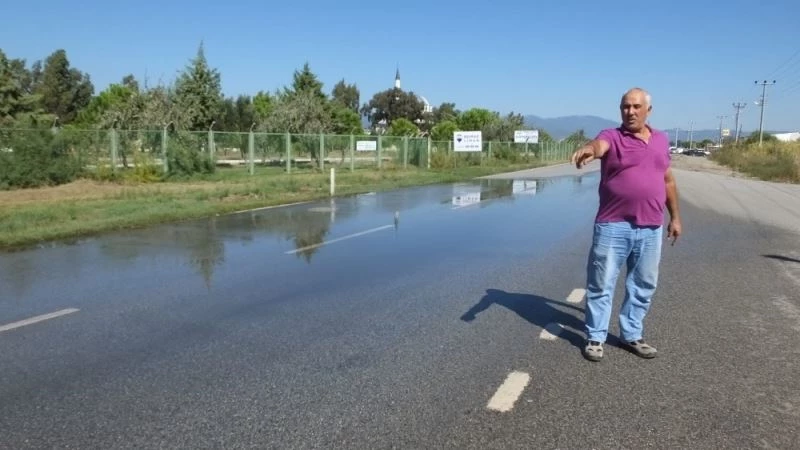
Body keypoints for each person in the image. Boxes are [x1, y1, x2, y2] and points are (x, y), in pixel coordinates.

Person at [570, 87, 682, 362]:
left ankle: (631, 334)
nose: (629, 111)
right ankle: (596, 337)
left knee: (643, 284)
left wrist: (675, 217)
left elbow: (667, 180)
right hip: (613, 226)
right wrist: (588, 150)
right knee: (601, 284)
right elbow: (598, 146)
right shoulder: (612, 136)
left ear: (648, 110)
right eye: (625, 107)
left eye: (635, 106)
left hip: (652, 227)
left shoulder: (660, 140)